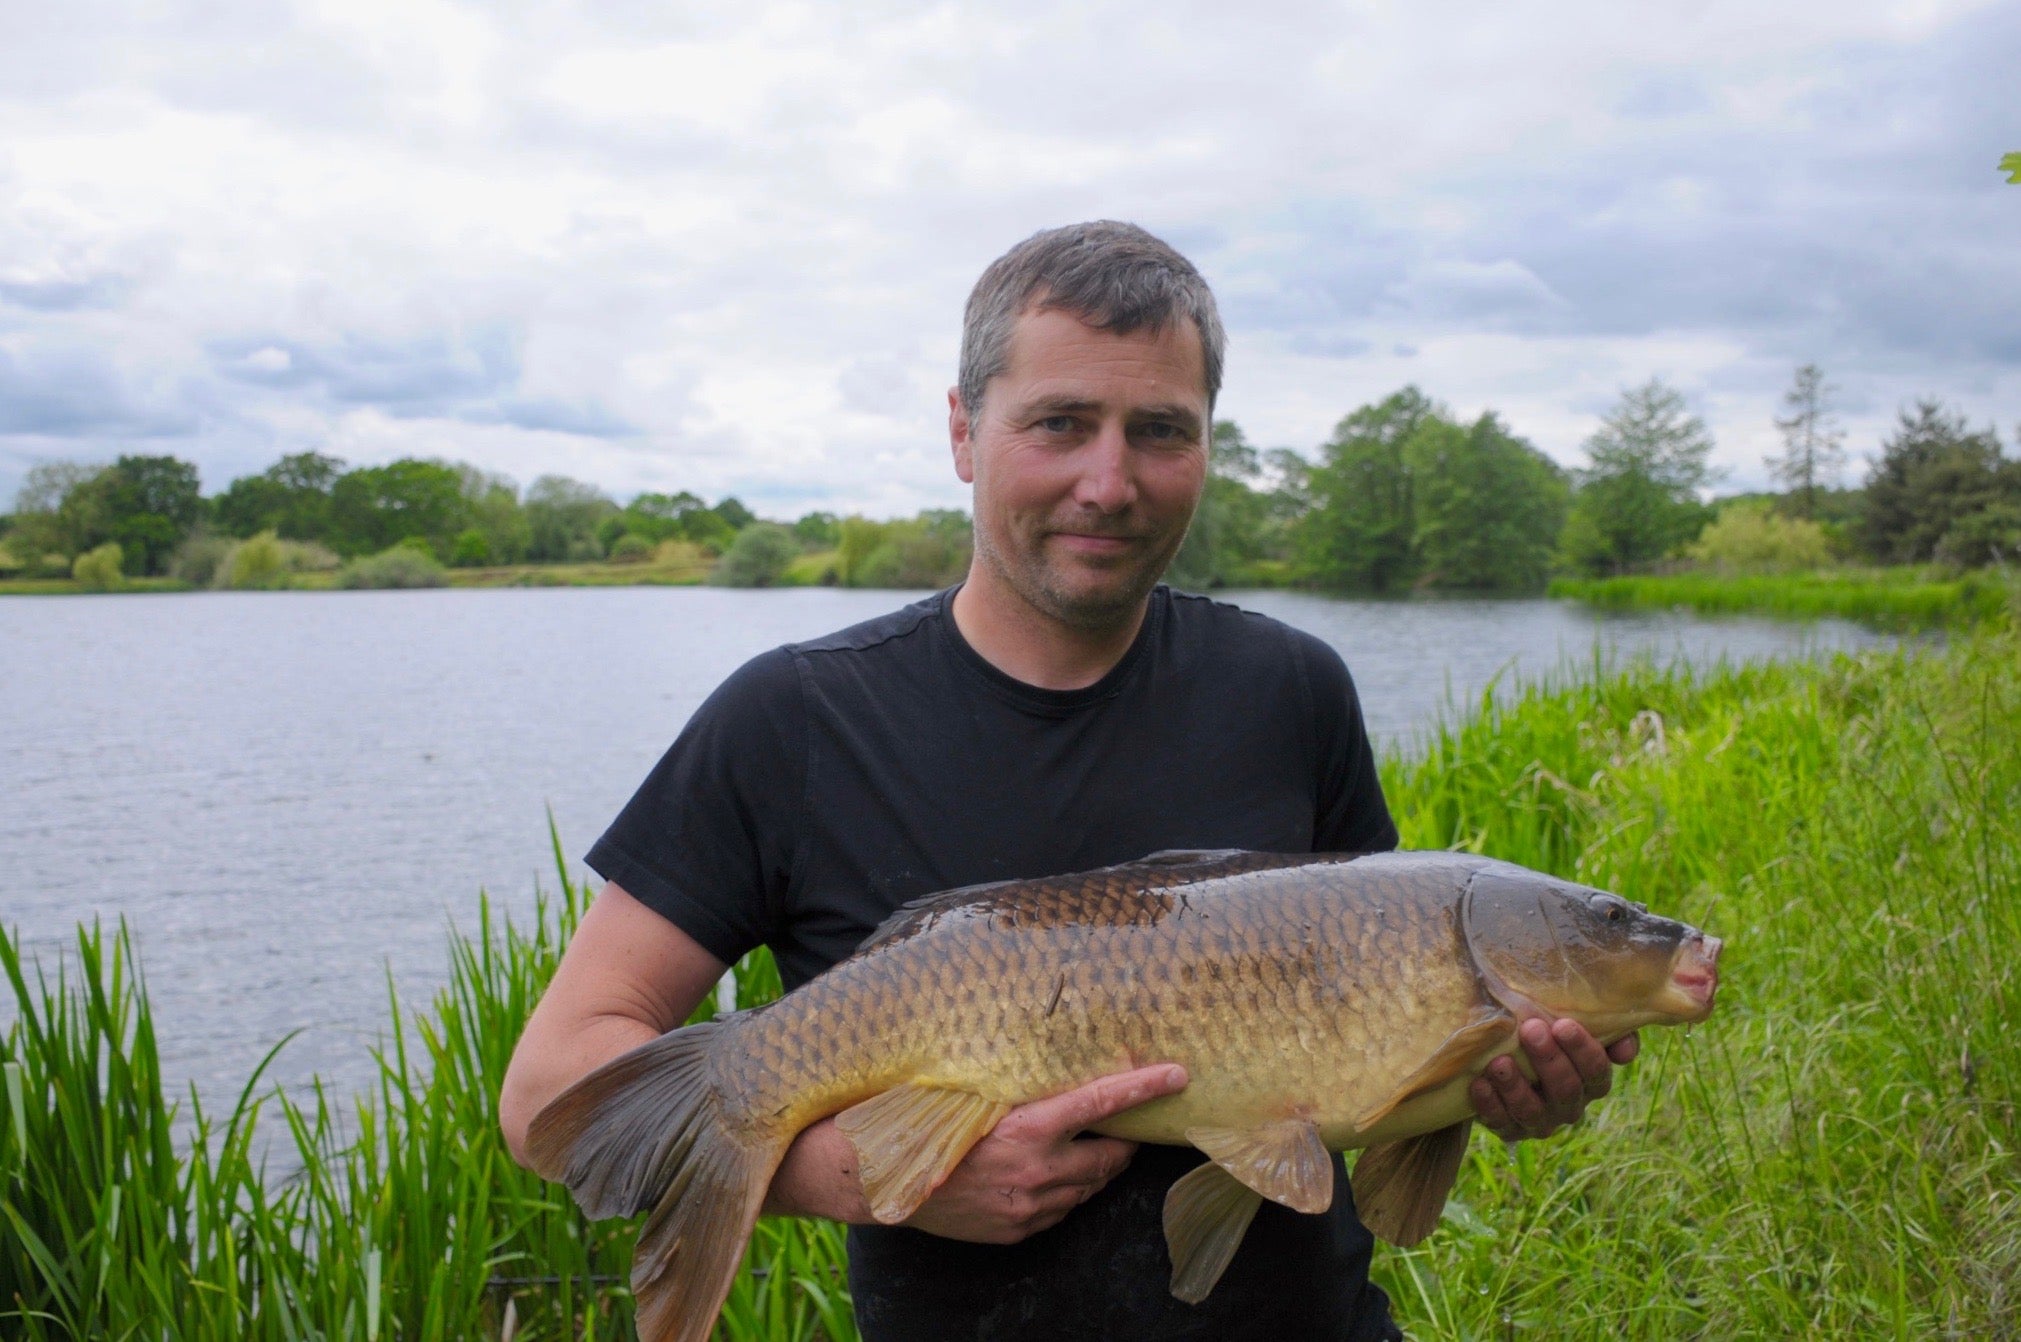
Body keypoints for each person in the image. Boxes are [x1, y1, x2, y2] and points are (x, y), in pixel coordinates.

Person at [499, 220, 1637, 1341]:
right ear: (961, 430)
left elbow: (1371, 1061)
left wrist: (1496, 1091)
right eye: (1059, 424)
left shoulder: (1290, 689)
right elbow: (550, 1081)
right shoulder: (792, 720)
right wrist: (860, 1168)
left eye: (1158, 431)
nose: (1109, 481)